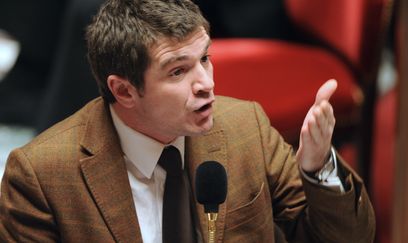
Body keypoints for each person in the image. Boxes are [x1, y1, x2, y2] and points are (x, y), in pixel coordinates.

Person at [0, 0, 375, 242]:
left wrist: (317, 168)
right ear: (125, 91)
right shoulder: (40, 178)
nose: (207, 84)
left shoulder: (249, 129)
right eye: (179, 71)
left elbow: (346, 238)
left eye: (206, 59)